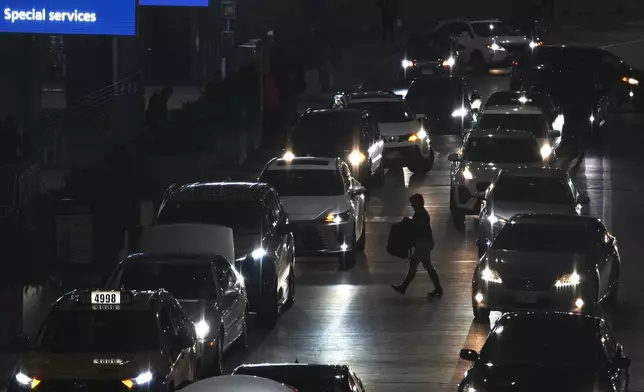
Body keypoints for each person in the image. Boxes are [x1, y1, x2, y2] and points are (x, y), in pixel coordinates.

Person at [391, 194, 443, 297]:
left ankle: (404, 287)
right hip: (423, 243)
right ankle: (437, 288)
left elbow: (418, 228)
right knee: (425, 266)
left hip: (423, 244)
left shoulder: (421, 214)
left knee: (416, 265)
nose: (412, 206)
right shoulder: (420, 213)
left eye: (413, 204)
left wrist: (408, 222)